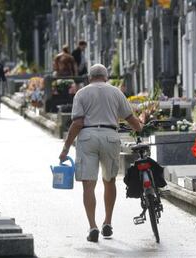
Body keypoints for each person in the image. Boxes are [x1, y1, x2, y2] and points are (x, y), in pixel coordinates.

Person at [58, 64, 142, 242]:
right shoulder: (115, 92)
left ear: (89, 78)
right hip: (110, 136)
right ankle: (108, 222)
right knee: (109, 180)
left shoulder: (82, 93)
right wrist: (139, 128)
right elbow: (130, 118)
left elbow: (77, 123)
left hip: (87, 136)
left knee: (89, 184)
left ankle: (92, 226)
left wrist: (66, 148)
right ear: (106, 77)